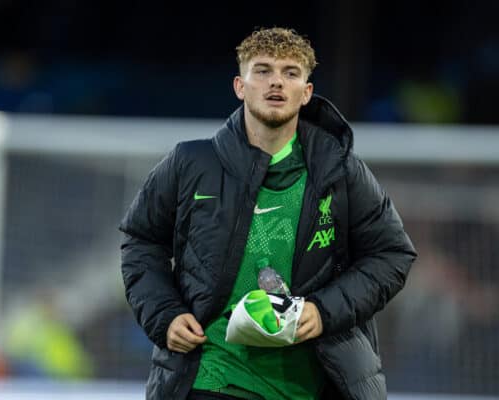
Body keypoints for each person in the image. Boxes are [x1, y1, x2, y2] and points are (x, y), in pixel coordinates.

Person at [120, 27, 417, 400]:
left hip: (311, 384)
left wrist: (323, 312)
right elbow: (141, 241)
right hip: (211, 376)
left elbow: (392, 254)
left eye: (291, 72)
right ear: (239, 86)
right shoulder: (190, 163)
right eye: (262, 70)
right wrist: (165, 315)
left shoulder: (340, 171)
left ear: (306, 92)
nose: (276, 82)